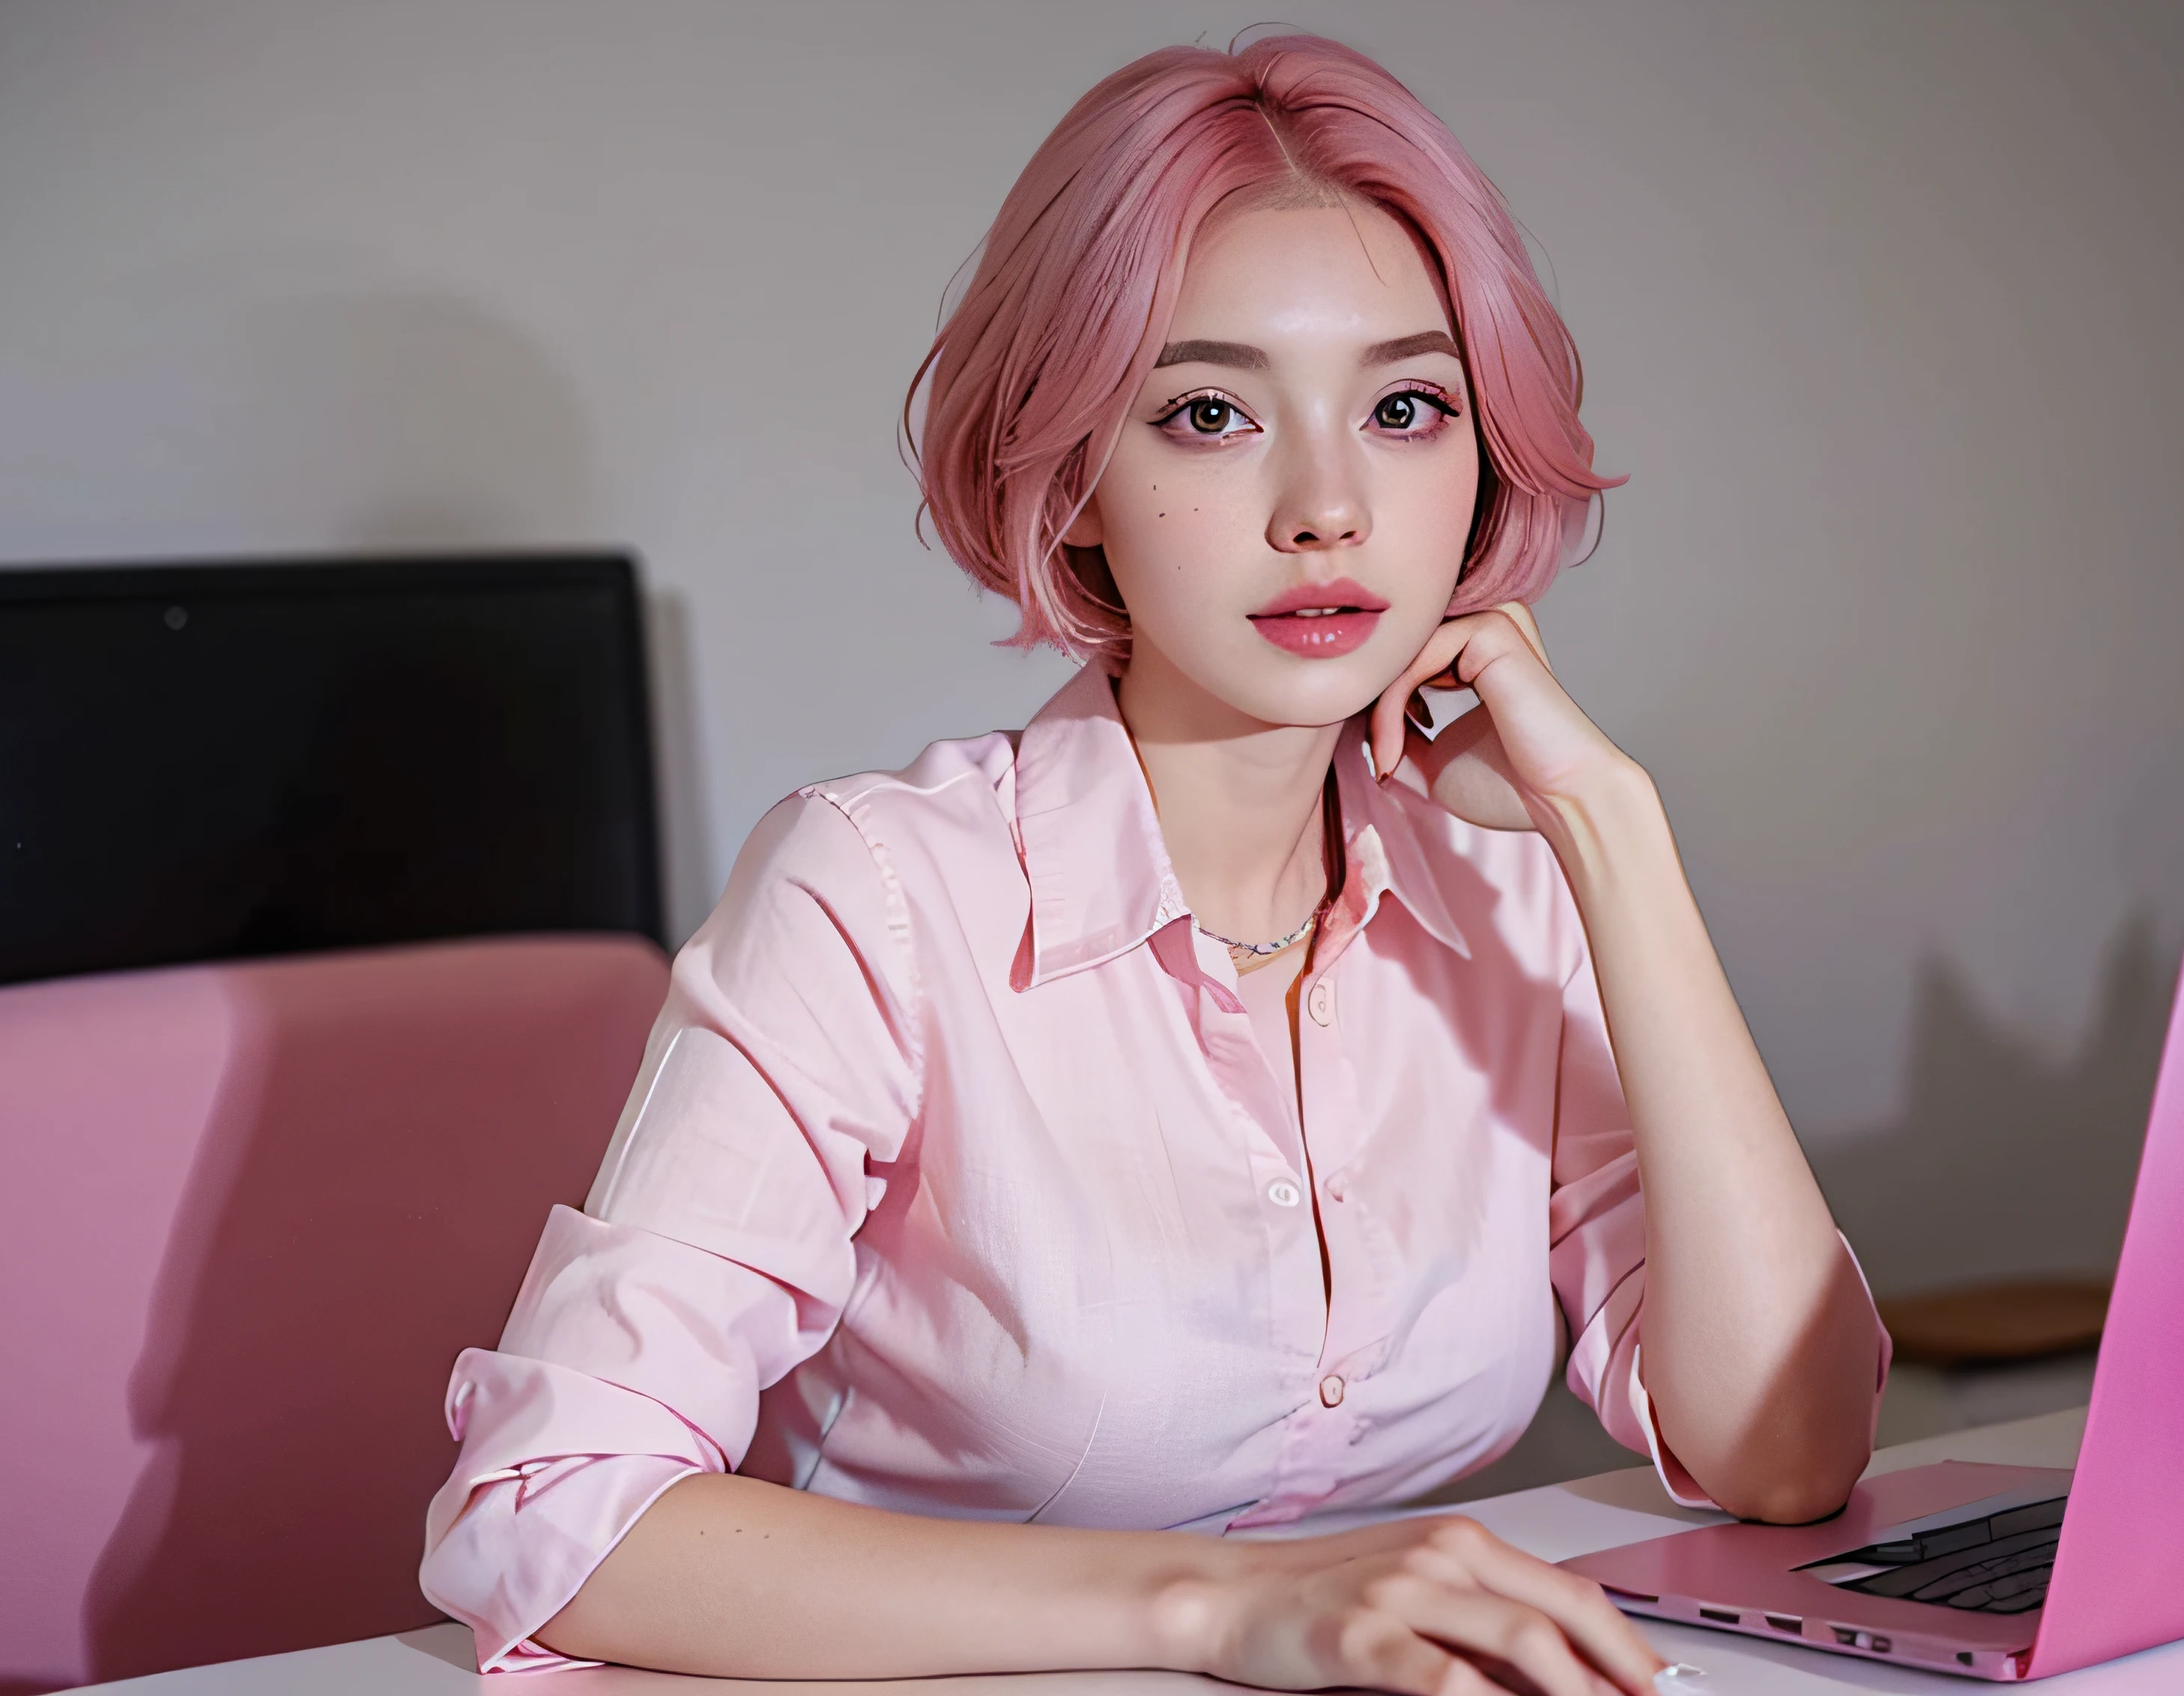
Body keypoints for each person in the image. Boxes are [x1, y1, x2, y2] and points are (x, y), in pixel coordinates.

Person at [419, 34, 1887, 1694]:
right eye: (1207, 413)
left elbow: (1787, 1451)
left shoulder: (1513, 882)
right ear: (1072, 483)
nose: (1326, 506)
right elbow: (558, 1509)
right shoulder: (877, 893)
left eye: (1404, 408)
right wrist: (1219, 1608)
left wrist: (1613, 834)